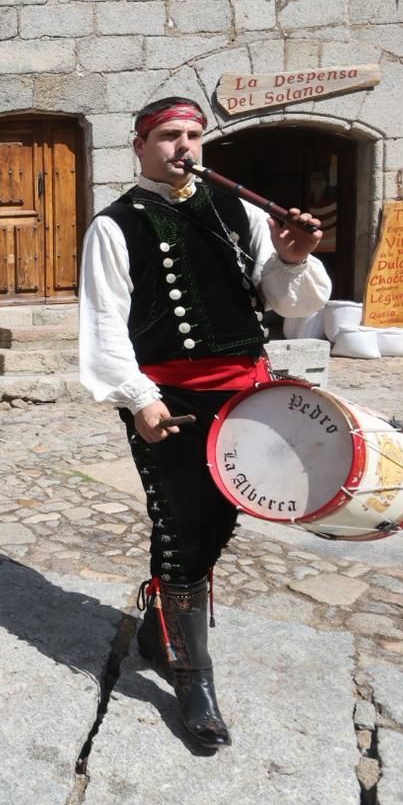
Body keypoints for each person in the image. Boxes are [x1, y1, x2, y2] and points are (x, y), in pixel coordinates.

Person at [78, 95, 329, 751]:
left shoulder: (237, 210)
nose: (183, 146)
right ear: (140, 146)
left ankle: (160, 627)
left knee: (221, 518)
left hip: (246, 394)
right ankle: (194, 679)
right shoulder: (115, 225)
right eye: (168, 135)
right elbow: (105, 323)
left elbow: (284, 300)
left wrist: (294, 257)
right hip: (171, 401)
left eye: (193, 134)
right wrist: (139, 398)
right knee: (181, 527)